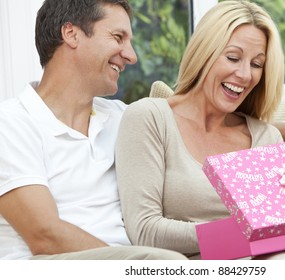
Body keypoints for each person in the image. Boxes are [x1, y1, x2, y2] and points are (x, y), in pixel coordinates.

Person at [115, 0, 285, 260]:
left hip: (274, 260)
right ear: (203, 53)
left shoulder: (265, 137)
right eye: (233, 57)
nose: (244, 75)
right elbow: (144, 230)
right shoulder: (150, 118)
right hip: (196, 264)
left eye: (257, 64)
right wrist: (250, 233)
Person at [0, 0, 187, 260]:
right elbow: (44, 234)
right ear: (71, 34)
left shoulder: (123, 118)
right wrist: (138, 265)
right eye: (118, 37)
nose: (131, 56)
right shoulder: (10, 123)